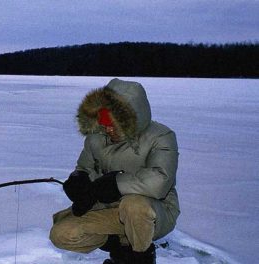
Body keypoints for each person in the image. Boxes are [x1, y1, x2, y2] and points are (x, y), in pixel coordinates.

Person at [49, 78, 180, 264]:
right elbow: (84, 168)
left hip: (154, 213)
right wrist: (79, 182)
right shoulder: (96, 138)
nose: (108, 129)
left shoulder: (162, 137)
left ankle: (141, 257)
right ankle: (118, 244)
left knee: (134, 206)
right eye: (105, 122)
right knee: (61, 234)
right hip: (109, 210)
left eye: (114, 124)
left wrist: (116, 184)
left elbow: (160, 180)